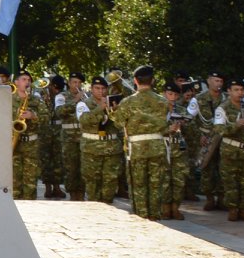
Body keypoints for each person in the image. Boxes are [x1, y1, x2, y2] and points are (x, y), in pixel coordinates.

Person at [113, 65, 168, 220]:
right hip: (156, 147)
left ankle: (141, 217)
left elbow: (118, 123)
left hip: (136, 148)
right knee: (156, 183)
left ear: (135, 80)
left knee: (138, 184)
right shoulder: (163, 101)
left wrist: (113, 111)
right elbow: (163, 123)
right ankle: (155, 216)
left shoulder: (128, 102)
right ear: (153, 80)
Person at [214, 78, 244, 222]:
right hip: (230, 150)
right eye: (236, 90)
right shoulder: (222, 108)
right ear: (229, 91)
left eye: (242, 90)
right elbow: (219, 130)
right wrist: (236, 125)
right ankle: (232, 209)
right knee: (230, 182)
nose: (240, 93)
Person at [77, 76, 121, 204]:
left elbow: (120, 124)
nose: (100, 91)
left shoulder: (112, 102)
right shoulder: (83, 104)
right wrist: (99, 108)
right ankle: (94, 209)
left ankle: (108, 205)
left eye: (103, 88)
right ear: (91, 89)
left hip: (111, 148)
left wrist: (115, 110)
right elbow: (84, 120)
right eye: (97, 88)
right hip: (92, 148)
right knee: (92, 181)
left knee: (111, 180)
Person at [191, 72, 227, 209]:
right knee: (207, 170)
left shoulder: (226, 99)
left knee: (223, 169)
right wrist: (199, 134)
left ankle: (222, 199)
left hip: (223, 139)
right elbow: (190, 119)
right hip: (206, 139)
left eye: (220, 81)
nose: (218, 83)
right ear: (209, 81)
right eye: (216, 80)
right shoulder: (198, 99)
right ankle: (210, 198)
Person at [10, 70, 44, 200]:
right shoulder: (9, 99)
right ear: (16, 82)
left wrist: (33, 116)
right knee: (14, 181)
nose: (27, 82)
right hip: (14, 144)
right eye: (24, 79)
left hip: (31, 145)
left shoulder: (36, 99)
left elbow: (47, 117)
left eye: (29, 80)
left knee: (30, 183)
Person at [161, 79, 192, 220]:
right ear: (164, 94)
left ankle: (175, 208)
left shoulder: (182, 110)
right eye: (169, 94)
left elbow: (193, 130)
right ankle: (165, 208)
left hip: (179, 149)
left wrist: (185, 125)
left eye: (175, 95)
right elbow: (151, 128)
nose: (172, 97)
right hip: (164, 147)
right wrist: (168, 129)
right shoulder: (158, 110)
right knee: (165, 179)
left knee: (179, 179)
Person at [55, 72, 86, 201]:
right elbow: (59, 112)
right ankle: (73, 195)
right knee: (71, 167)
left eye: (79, 83)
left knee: (83, 167)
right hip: (69, 138)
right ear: (68, 82)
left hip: (83, 136)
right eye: (74, 82)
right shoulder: (61, 96)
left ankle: (82, 194)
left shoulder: (85, 97)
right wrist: (75, 100)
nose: (77, 85)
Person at [40, 73, 66, 198]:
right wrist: (46, 100)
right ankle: (47, 187)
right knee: (45, 159)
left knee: (58, 160)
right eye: (54, 88)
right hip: (45, 130)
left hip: (57, 130)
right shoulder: (42, 95)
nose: (56, 91)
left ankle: (57, 187)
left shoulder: (62, 96)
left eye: (58, 89)